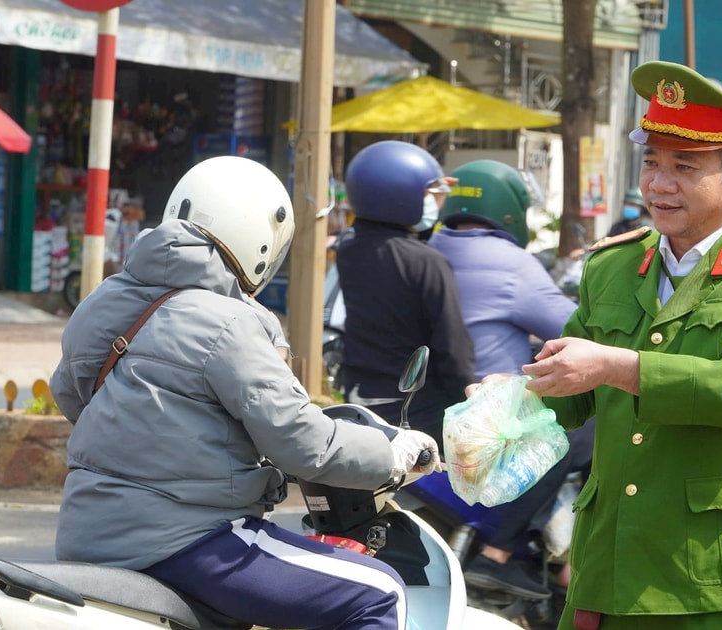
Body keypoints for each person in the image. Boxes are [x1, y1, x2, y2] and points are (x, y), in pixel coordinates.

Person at [49, 155, 442, 630]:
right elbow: (303, 441)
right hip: (188, 540)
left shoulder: (104, 299)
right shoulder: (229, 321)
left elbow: (71, 396)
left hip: (85, 534)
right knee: (377, 593)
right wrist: (392, 452)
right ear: (261, 239)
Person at [519, 60, 722, 629]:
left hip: (713, 578)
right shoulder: (612, 265)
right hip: (608, 562)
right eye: (651, 162)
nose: (660, 183)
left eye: (684, 166)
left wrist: (618, 365)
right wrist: (508, 398)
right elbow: (572, 386)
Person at [428, 159, 581, 600]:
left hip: (430, 406)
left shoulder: (427, 248)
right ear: (511, 210)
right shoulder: (514, 264)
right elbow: (575, 328)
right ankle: (503, 554)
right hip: (493, 416)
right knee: (579, 435)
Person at [337, 140, 477, 440]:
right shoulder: (428, 262)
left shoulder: (349, 249)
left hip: (361, 399)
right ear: (402, 195)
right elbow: (453, 350)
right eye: (431, 195)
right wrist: (472, 400)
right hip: (417, 412)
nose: (438, 203)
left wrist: (427, 184)